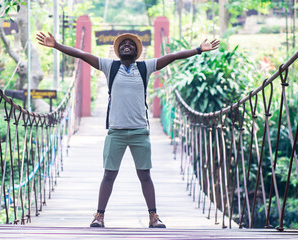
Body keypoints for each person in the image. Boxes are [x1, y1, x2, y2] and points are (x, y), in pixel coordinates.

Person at [36, 31, 219, 228]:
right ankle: (99, 216)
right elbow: (81, 54)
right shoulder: (109, 66)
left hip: (140, 131)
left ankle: (153, 216)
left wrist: (199, 50)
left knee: (145, 175)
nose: (126, 46)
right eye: (123, 44)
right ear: (118, 51)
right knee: (108, 175)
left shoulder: (145, 67)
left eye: (130, 44)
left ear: (136, 51)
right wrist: (57, 45)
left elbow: (172, 57)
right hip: (116, 132)